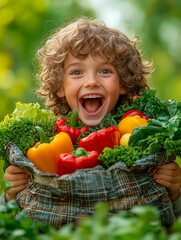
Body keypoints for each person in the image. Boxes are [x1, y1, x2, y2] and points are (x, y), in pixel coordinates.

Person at [1, 17, 181, 218]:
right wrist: (10, 195)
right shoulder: (43, 142)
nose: (92, 82)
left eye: (105, 71)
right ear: (60, 86)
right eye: (77, 72)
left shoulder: (143, 132)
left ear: (123, 82)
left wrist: (175, 193)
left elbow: (171, 220)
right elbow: (11, 221)